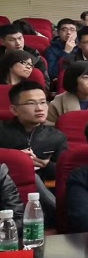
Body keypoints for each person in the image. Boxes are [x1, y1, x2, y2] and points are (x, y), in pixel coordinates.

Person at [0, 81, 68, 226]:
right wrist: (16, 160)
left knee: (34, 177)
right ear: (14, 109)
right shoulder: (2, 132)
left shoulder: (56, 136)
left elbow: (63, 172)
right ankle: (63, 216)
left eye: (43, 102)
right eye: (31, 103)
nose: (39, 108)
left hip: (42, 190)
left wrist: (46, 165)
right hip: (6, 189)